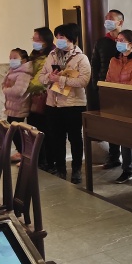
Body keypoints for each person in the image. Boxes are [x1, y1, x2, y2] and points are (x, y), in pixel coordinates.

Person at [38, 22, 91, 184]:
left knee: (75, 138)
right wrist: (49, 77)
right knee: (57, 138)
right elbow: (41, 76)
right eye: (57, 36)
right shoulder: (52, 55)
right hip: (53, 103)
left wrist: (60, 79)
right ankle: (60, 168)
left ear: (71, 38)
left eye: (62, 36)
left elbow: (83, 81)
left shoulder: (81, 58)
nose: (59, 39)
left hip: (73, 104)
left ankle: (76, 169)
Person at [105, 29, 132, 184]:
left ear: (131, 43)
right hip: (118, 105)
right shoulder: (114, 60)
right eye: (117, 40)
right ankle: (126, 169)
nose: (118, 43)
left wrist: (120, 94)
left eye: (122, 40)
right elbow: (108, 80)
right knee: (123, 138)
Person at [89, 9, 125, 169]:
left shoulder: (127, 40)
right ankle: (114, 156)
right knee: (110, 124)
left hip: (123, 88)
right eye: (106, 18)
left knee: (124, 125)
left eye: (111, 18)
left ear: (120, 22)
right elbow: (95, 65)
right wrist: (96, 84)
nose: (107, 21)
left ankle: (129, 159)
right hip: (105, 87)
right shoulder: (101, 42)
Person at [27, 26, 54, 170]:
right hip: (34, 99)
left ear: (46, 40)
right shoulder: (34, 55)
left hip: (44, 99)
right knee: (33, 129)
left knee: (43, 131)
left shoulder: (49, 57)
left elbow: (39, 82)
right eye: (34, 39)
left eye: (37, 39)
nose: (34, 42)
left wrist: (24, 86)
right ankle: (37, 159)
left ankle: (45, 161)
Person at [2, 47, 33, 162]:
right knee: (12, 131)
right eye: (10, 58)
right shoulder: (12, 72)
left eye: (15, 58)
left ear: (23, 60)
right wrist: (7, 87)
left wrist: (7, 89)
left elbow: (18, 91)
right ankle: (21, 152)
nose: (12, 60)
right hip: (11, 107)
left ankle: (24, 154)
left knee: (17, 132)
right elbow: (4, 85)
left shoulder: (24, 74)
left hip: (19, 107)